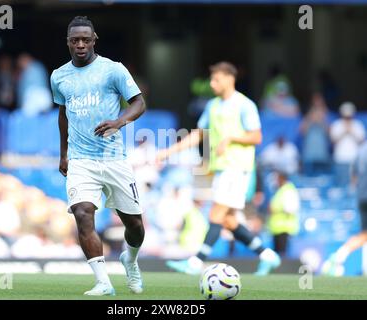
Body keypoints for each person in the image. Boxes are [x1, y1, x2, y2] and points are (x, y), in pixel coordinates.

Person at [50, 16, 146, 296]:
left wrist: (118, 121)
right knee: (82, 213)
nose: (80, 44)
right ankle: (103, 281)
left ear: (94, 40)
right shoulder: (59, 76)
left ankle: (130, 258)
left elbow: (139, 103)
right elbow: (63, 114)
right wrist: (64, 154)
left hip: (114, 158)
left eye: (85, 39)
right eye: (74, 40)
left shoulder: (113, 70)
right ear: (68, 42)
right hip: (80, 160)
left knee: (136, 226)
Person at [157, 61, 281, 276]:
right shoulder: (213, 106)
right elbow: (198, 134)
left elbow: (256, 136)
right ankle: (267, 255)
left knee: (216, 213)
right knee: (229, 220)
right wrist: (168, 152)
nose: (212, 84)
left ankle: (196, 263)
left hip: (237, 168)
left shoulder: (245, 105)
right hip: (222, 169)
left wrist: (231, 138)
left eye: (216, 79)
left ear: (229, 79)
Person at [321, 139, 367, 276]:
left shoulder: (361, 149)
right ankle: (340, 255)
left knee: (365, 233)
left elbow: (353, 176)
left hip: (361, 196)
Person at [330, 102, 365, 186]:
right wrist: (344, 131)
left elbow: (362, 142)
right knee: (341, 184)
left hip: (355, 159)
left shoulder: (357, 125)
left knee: (355, 185)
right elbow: (333, 141)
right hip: (340, 159)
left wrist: (351, 131)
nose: (347, 118)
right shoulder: (337, 124)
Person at [267, 170, 300, 256]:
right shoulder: (280, 190)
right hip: (277, 228)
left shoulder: (288, 190)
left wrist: (275, 209)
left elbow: (290, 209)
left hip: (284, 228)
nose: (276, 181)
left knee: (282, 254)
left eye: (277, 178)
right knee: (277, 254)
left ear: (282, 178)